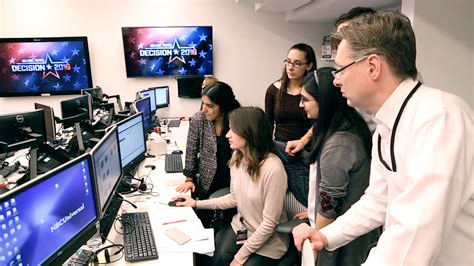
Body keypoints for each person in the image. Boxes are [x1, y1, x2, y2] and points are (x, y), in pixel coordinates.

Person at [293, 11, 473, 265]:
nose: (336, 80)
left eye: (341, 69)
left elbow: (414, 236)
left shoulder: (438, 118)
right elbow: (379, 200)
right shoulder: (386, 125)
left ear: (373, 66)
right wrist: (326, 235)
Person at [175, 107, 289, 266]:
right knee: (215, 259)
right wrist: (196, 203)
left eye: (233, 130)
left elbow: (269, 224)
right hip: (242, 227)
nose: (227, 134)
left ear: (250, 132)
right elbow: (235, 198)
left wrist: (239, 258)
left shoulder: (273, 169)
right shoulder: (238, 157)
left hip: (267, 240)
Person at [297, 68, 379, 265]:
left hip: (341, 243)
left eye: (305, 99)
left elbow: (329, 206)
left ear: (324, 102)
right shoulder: (342, 127)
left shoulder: (339, 144)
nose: (301, 105)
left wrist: (316, 244)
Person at [176, 81, 240, 228]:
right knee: (202, 219)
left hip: (233, 177)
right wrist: (189, 178)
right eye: (203, 103)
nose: (204, 109)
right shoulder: (199, 119)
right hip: (208, 178)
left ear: (223, 105)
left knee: (230, 221)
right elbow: (191, 149)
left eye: (210, 106)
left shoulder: (236, 120)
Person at [265, 43, 316, 208]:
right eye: (288, 61)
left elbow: (322, 121)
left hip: (307, 151)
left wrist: (303, 141)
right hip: (282, 150)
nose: (290, 67)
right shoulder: (274, 90)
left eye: (297, 63)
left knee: (306, 197)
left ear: (309, 66)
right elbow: (268, 123)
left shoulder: (313, 91)